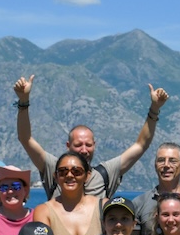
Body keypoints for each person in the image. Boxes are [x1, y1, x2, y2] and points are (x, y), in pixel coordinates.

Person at [15, 74, 169, 200]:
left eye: (88, 145)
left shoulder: (106, 174)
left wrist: (154, 109)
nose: (84, 150)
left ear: (94, 145)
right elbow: (26, 139)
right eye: (78, 145)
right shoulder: (55, 169)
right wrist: (23, 101)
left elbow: (141, 145)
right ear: (68, 146)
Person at [31, 151, 103, 235]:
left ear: (87, 175)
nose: (70, 175)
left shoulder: (102, 206)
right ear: (56, 176)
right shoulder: (44, 211)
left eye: (76, 171)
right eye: (63, 171)